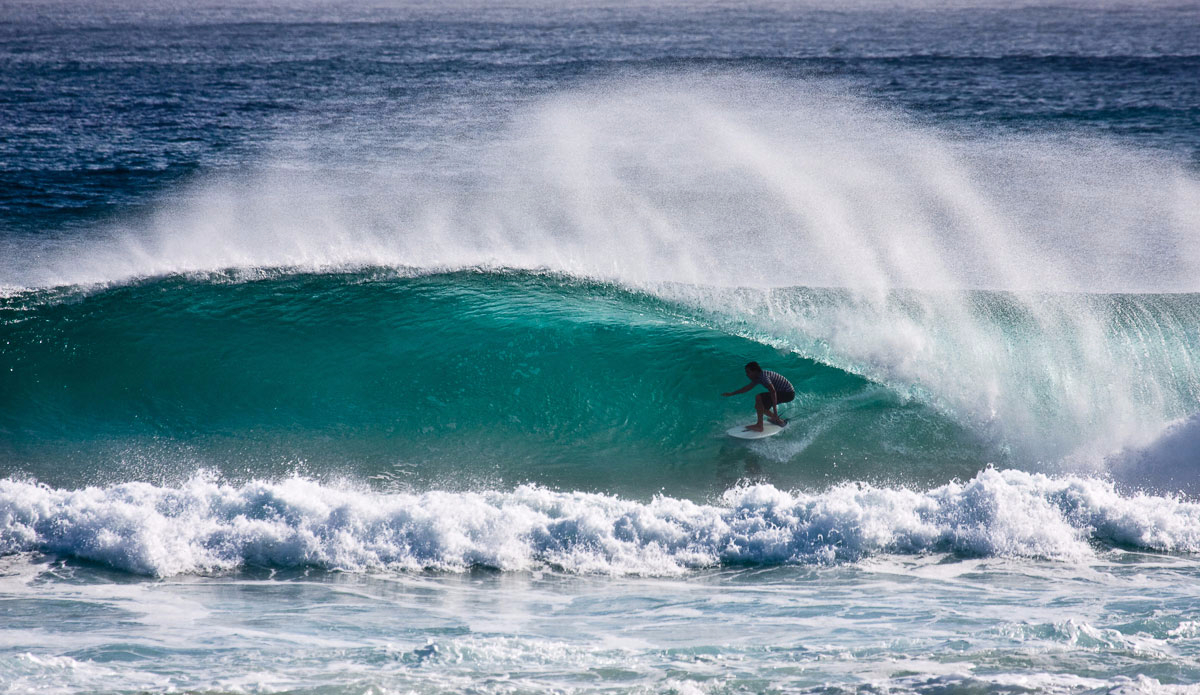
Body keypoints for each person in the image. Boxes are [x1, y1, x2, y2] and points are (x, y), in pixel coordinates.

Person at [722, 361, 795, 432]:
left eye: (748, 372)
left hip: (787, 393)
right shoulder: (759, 377)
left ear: (755, 371)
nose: (747, 375)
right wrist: (732, 393)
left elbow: (773, 391)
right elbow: (747, 388)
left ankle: (760, 426)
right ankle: (778, 421)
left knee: (758, 397)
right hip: (785, 393)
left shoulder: (763, 377)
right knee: (759, 407)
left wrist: (775, 410)